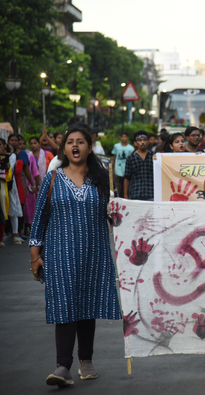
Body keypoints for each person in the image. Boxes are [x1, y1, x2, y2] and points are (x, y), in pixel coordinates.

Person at [29, 125, 122, 387]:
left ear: (89, 147)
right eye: (70, 142)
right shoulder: (53, 178)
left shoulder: (102, 179)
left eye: (80, 142)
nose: (75, 146)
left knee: (88, 304)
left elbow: (115, 216)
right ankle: (63, 366)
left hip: (95, 252)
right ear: (64, 148)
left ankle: (86, 360)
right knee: (64, 306)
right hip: (60, 253)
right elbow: (39, 220)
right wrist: (35, 256)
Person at [19, 137, 41, 236]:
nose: (22, 146)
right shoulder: (14, 156)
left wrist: (37, 184)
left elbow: (35, 171)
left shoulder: (29, 156)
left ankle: (28, 227)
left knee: (30, 206)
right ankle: (21, 228)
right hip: (19, 183)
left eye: (23, 144)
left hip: (29, 184)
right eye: (20, 144)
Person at [124, 130, 154, 200]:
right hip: (136, 193)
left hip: (152, 194)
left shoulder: (154, 156)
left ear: (148, 142)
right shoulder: (131, 158)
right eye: (140, 140)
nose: (142, 142)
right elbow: (127, 177)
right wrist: (126, 195)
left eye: (145, 140)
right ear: (135, 143)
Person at [111, 132, 135, 197]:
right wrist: (113, 167)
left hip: (126, 169)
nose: (124, 138)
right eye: (122, 137)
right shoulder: (116, 146)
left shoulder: (131, 148)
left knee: (126, 184)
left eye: (125, 137)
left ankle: (125, 195)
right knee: (118, 184)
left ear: (127, 138)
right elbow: (114, 157)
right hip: (118, 168)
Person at [0, 138, 11, 248]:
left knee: (2, 212)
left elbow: (8, 178)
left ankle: (1, 237)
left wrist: (7, 169)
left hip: (2, 188)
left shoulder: (6, 160)